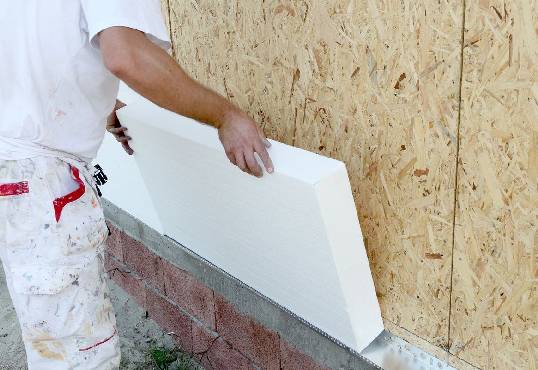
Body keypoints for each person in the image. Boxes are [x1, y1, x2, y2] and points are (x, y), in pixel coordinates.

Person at [0, 1, 273, 369]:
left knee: (55, 342)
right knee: (79, 358)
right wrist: (225, 115)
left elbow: (35, 56)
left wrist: (104, 109)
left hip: (17, 177)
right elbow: (124, 53)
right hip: (40, 180)